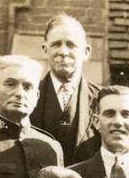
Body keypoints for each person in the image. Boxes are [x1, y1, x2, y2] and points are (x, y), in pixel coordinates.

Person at [33, 14, 101, 165]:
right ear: (45, 50)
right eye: (56, 44)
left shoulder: (102, 100)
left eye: (71, 44)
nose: (63, 52)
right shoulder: (28, 97)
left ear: (86, 52)